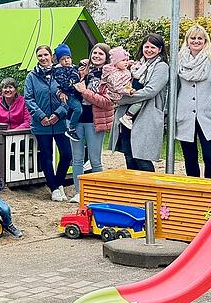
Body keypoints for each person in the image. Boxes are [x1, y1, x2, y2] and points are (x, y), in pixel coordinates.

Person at [111, 34, 169, 172]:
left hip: (146, 115)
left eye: (153, 47)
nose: (149, 50)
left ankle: (150, 192)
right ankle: (135, 192)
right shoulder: (137, 66)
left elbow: (150, 91)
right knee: (129, 157)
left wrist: (123, 99)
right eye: (146, 46)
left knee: (142, 158)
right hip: (127, 117)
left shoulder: (161, 67)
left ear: (160, 49)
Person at [24, 45, 73, 201]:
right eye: (40, 55)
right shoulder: (31, 76)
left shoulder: (62, 73)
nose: (43, 58)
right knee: (46, 156)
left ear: (52, 56)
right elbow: (29, 98)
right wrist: (41, 116)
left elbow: (69, 95)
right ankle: (54, 188)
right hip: (41, 124)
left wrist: (58, 114)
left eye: (46, 54)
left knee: (67, 154)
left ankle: (58, 184)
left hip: (60, 123)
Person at [175, 25, 211, 179]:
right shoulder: (178, 60)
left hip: (210, 116)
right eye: (192, 38)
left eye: (199, 38)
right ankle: (193, 193)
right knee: (190, 158)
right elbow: (173, 88)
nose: (196, 41)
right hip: (185, 116)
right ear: (187, 41)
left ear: (205, 41)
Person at [71, 44, 112, 203]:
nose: (96, 56)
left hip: (95, 121)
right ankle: (78, 192)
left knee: (95, 159)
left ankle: (98, 193)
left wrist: (84, 91)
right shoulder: (83, 71)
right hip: (76, 119)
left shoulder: (109, 76)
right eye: (94, 53)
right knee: (77, 159)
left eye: (100, 54)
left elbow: (107, 102)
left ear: (106, 57)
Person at [0, 78, 31, 159]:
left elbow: (28, 122)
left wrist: (12, 133)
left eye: (10, 87)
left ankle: (19, 164)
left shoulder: (24, 102)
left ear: (16, 90)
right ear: (2, 90)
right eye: (5, 87)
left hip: (19, 134)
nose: (7, 90)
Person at [103, 47, 145, 129]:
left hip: (123, 93)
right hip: (118, 96)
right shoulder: (114, 74)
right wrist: (127, 91)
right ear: (115, 62)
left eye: (126, 60)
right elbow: (117, 87)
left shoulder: (121, 70)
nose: (125, 63)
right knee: (139, 101)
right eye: (123, 61)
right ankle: (128, 117)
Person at [52, 43, 82, 142]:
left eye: (68, 58)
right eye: (63, 59)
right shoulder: (59, 71)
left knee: (77, 108)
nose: (66, 61)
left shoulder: (74, 68)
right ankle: (71, 128)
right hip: (69, 95)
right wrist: (75, 86)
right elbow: (65, 84)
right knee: (78, 109)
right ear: (59, 61)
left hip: (75, 94)